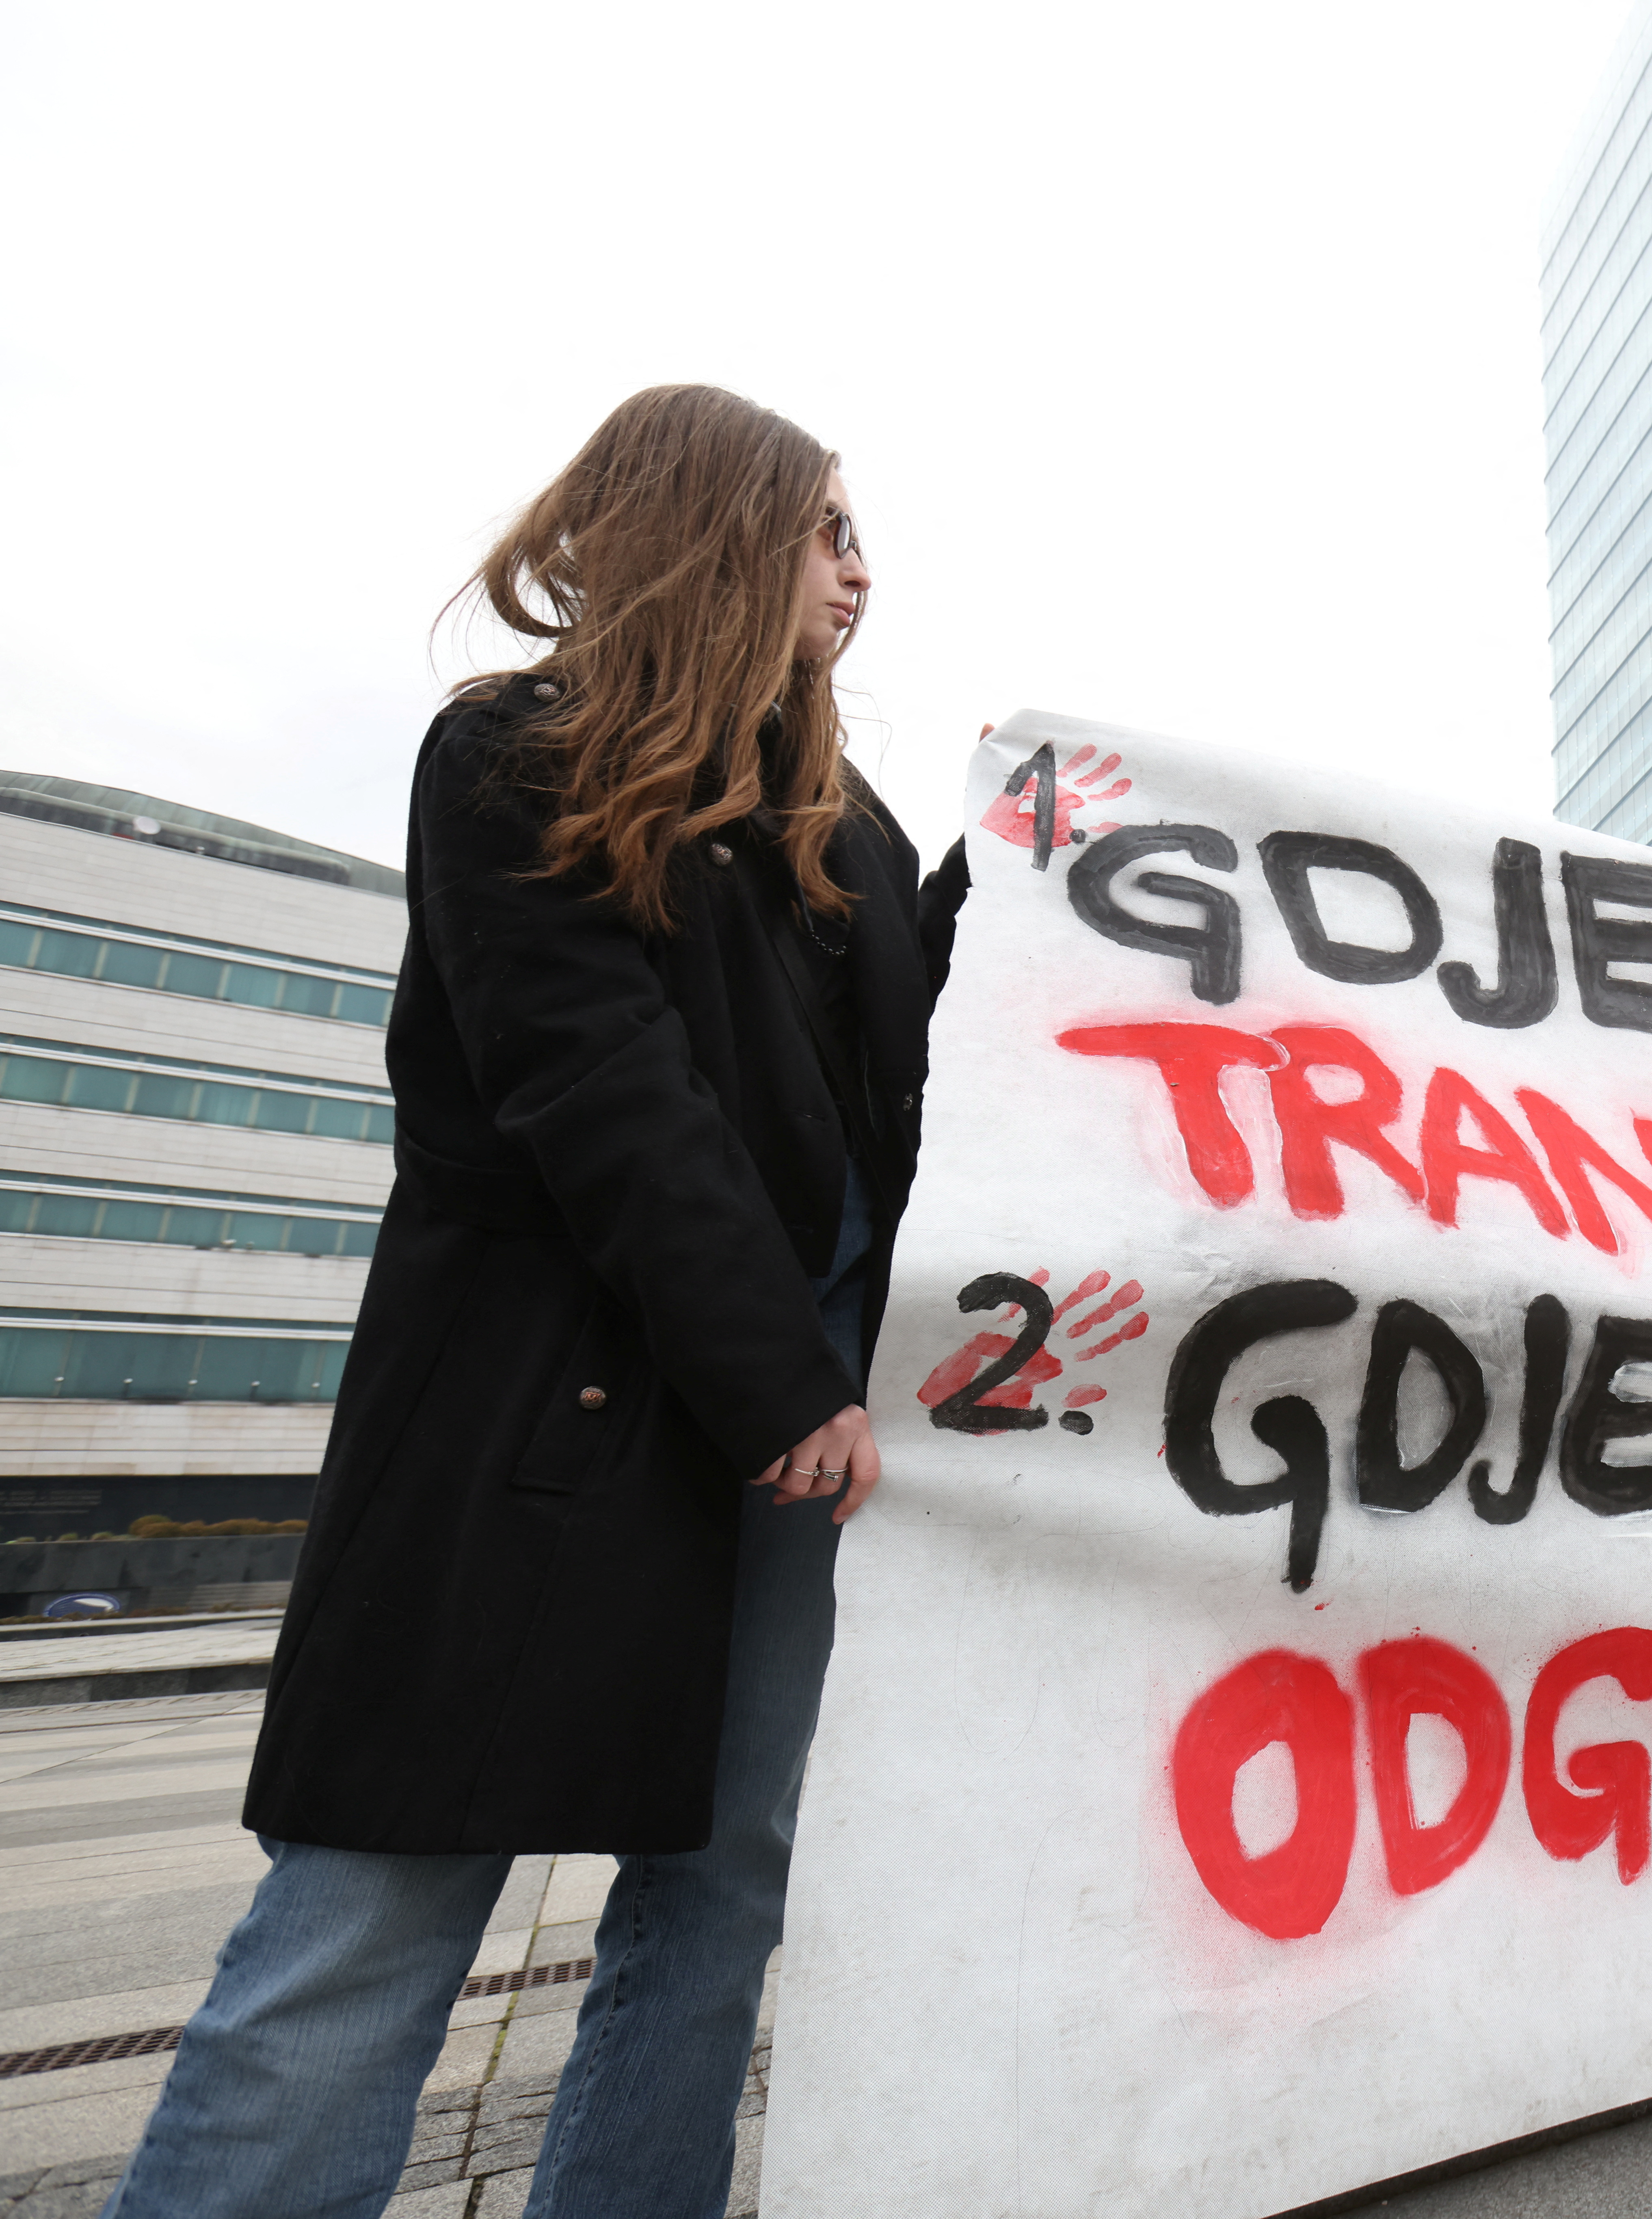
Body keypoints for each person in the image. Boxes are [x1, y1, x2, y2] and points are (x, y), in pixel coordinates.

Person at [106, 386, 959, 2219]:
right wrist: (783, 1388)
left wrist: (1047, 860)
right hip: (548, 1432)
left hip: (799, 1434)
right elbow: (608, 1098)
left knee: (727, 1886)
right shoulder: (516, 759)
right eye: (827, 530)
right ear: (720, 528)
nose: (861, 572)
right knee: (380, 1901)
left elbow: (929, 1056)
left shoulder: (845, 828)